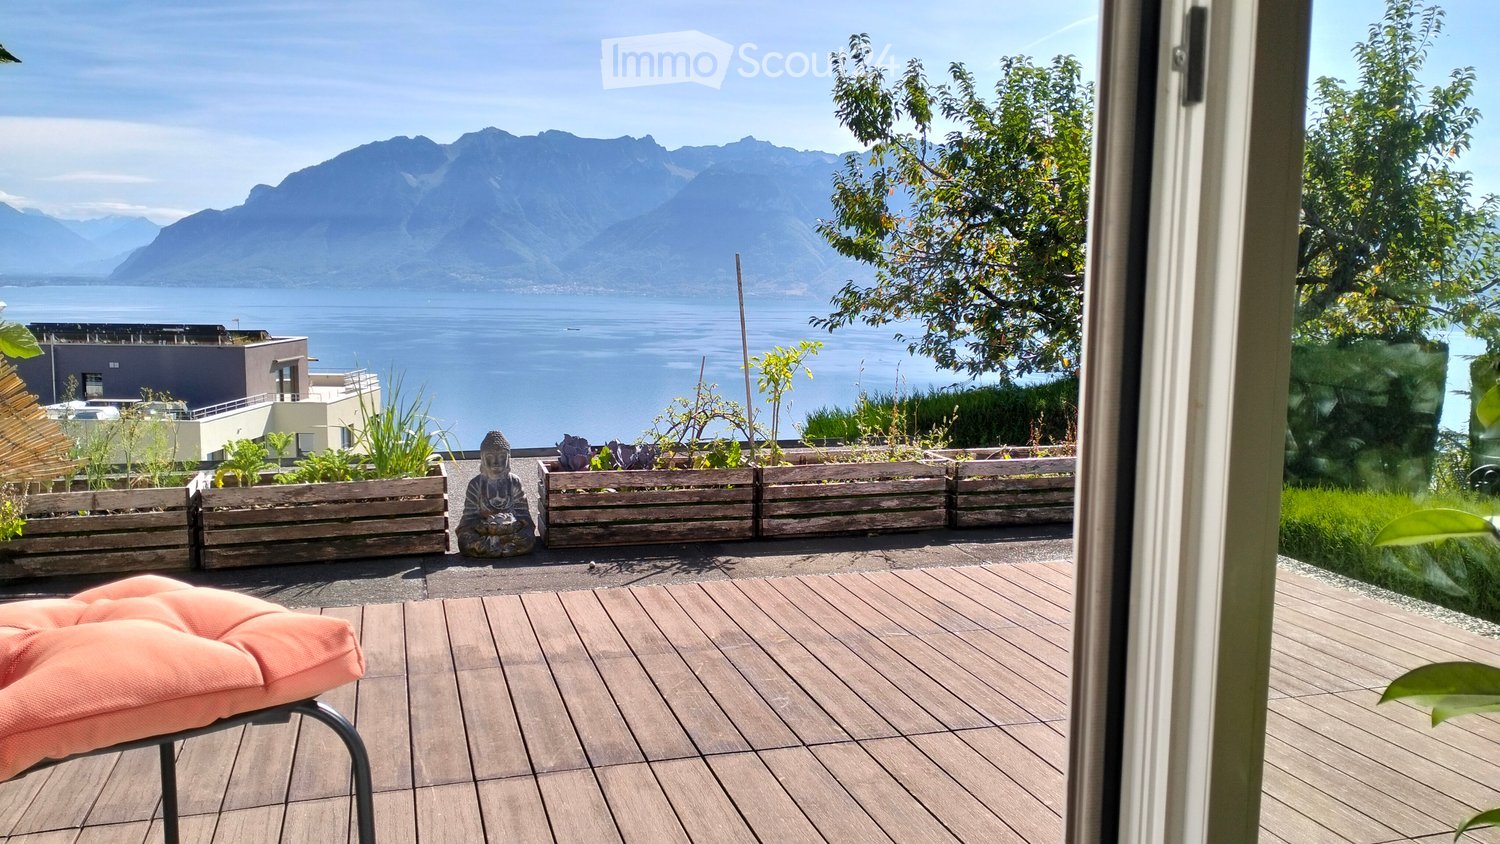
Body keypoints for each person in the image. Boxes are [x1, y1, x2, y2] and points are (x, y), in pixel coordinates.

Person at [456, 430, 536, 557]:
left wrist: (513, 524)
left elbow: (524, 515)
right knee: (465, 541)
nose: (496, 462)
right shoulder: (476, 484)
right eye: (490, 457)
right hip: (484, 532)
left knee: (528, 538)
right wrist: (485, 525)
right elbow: (468, 518)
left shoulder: (514, 482)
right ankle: (502, 546)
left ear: (508, 459)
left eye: (501, 457)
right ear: (482, 458)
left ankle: (494, 546)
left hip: (510, 531)